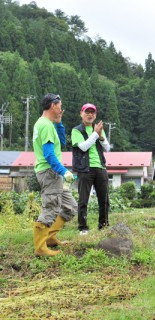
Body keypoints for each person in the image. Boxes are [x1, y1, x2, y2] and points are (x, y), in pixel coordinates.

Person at [32, 93, 77, 256]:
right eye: (60, 105)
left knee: (69, 207)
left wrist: (59, 124)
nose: (61, 109)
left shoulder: (48, 124)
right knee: (50, 208)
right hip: (50, 172)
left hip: (53, 173)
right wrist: (64, 171)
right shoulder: (45, 125)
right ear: (53, 105)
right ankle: (40, 248)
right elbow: (49, 154)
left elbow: (62, 143)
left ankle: (50, 238)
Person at [72, 103, 111, 235]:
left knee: (104, 199)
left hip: (100, 167)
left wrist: (100, 136)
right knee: (83, 199)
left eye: (92, 112)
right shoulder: (77, 130)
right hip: (85, 169)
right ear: (81, 113)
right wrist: (95, 134)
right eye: (87, 112)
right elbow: (83, 147)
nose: (90, 115)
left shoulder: (99, 129)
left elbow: (107, 148)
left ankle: (103, 225)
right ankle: (83, 228)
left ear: (95, 115)